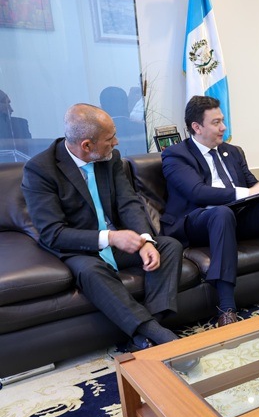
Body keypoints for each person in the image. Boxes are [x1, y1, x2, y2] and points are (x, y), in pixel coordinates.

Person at [21, 104, 183, 350]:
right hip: (79, 248)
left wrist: (145, 240)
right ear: (87, 145)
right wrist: (111, 237)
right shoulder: (40, 169)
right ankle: (161, 336)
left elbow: (128, 202)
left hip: (116, 242)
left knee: (168, 246)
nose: (116, 142)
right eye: (110, 139)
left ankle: (147, 332)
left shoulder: (110, 158)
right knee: (91, 271)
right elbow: (53, 233)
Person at [161, 95, 259, 328]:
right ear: (197, 127)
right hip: (197, 221)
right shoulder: (176, 155)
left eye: (223, 120)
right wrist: (248, 192)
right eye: (216, 123)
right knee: (221, 213)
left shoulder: (232, 152)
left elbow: (252, 186)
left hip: (234, 217)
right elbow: (197, 193)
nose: (224, 127)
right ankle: (226, 307)